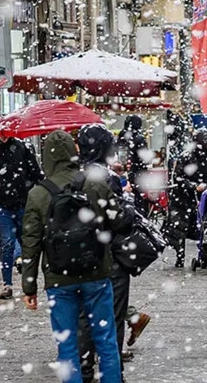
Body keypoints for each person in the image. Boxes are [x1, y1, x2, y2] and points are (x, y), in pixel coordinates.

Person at [22, 130, 128, 383]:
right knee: (106, 340)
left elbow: (31, 242)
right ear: (74, 152)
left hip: (59, 277)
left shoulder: (38, 194)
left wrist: (29, 286)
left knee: (67, 345)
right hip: (97, 271)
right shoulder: (94, 183)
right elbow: (120, 221)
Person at [76, 124, 150, 382]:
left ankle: (85, 369)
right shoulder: (104, 178)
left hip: (83, 254)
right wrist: (127, 200)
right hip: (109, 256)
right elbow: (120, 220)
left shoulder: (76, 175)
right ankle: (111, 371)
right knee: (112, 316)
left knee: (86, 316)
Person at [0, 134, 43, 300]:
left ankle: (27, 282)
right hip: (2, 204)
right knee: (6, 243)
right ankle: (7, 284)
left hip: (23, 203)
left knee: (26, 242)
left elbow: (35, 172)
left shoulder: (23, 147)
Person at [168, 129, 207, 267]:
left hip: (203, 197)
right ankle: (180, 256)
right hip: (184, 198)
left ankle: (205, 256)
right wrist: (193, 186)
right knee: (180, 228)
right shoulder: (187, 156)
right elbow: (178, 177)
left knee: (205, 227)